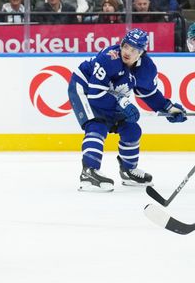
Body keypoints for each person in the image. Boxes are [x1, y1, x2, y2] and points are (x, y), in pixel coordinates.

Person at [68, 29, 188, 192]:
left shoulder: (147, 68)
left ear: (142, 53)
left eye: (134, 50)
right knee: (97, 126)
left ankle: (128, 170)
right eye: (126, 46)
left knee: (132, 129)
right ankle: (89, 172)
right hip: (84, 88)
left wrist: (168, 108)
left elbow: (149, 94)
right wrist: (122, 103)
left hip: (111, 95)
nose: (127, 52)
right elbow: (96, 96)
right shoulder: (109, 57)